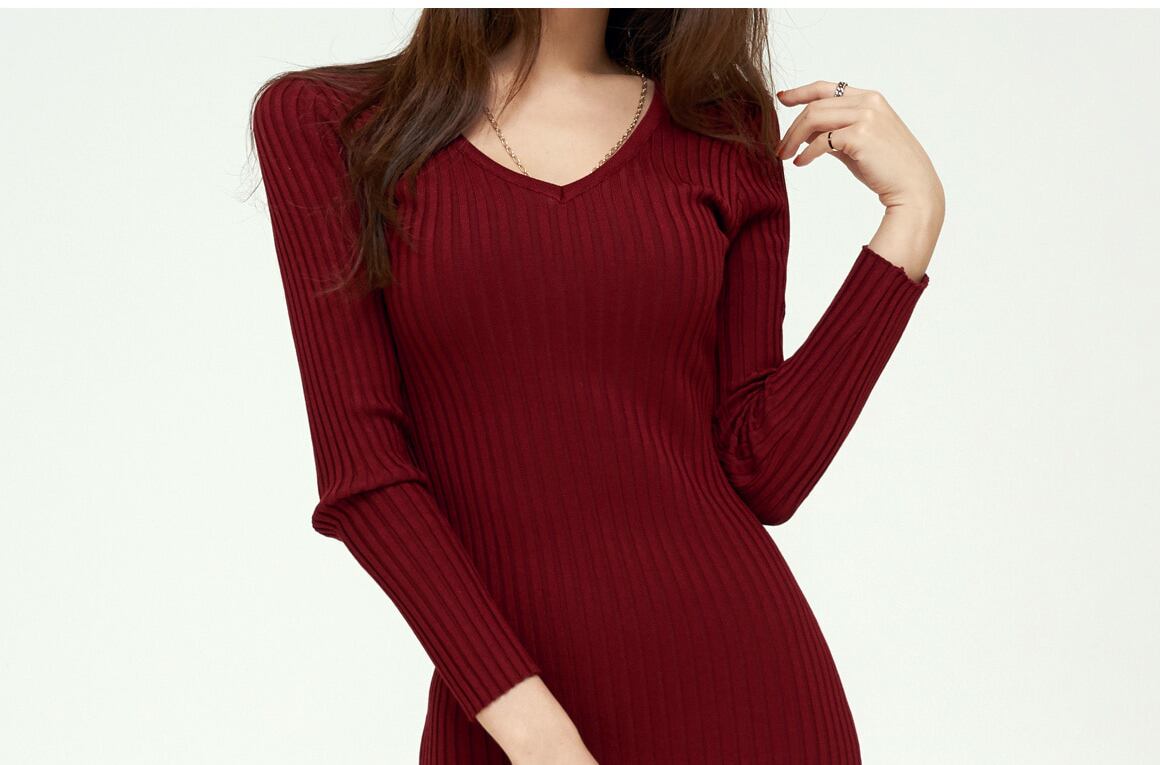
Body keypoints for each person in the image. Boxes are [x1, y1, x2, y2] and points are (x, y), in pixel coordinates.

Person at [250, 8, 942, 764]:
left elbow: (762, 470)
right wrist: (537, 736)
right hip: (512, 728)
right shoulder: (329, 123)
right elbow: (366, 476)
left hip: (749, 702)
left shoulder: (720, 127)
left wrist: (912, 215)